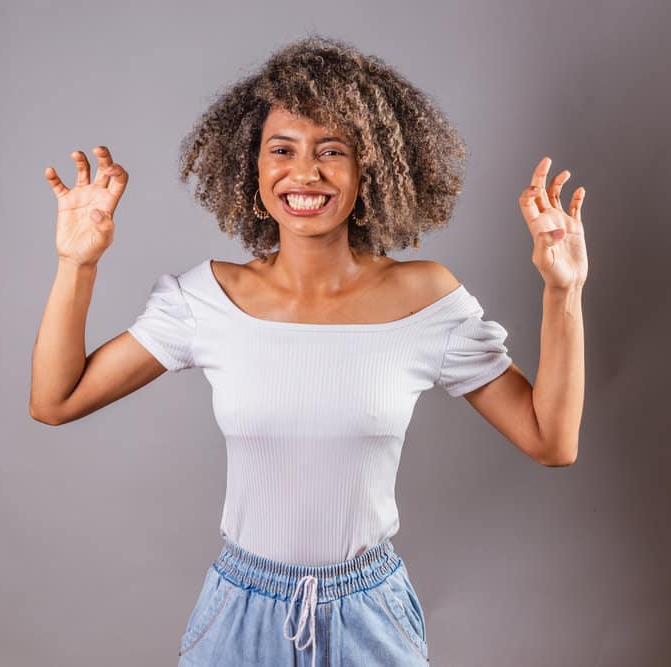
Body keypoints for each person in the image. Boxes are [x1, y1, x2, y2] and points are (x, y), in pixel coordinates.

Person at [29, 35, 586, 667]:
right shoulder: (207, 298)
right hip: (240, 612)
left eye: (332, 152)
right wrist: (76, 264)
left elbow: (552, 441)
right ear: (252, 168)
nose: (305, 173)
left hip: (368, 614)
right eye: (282, 150)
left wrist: (563, 292)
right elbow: (55, 400)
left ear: (368, 168)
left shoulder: (424, 298)